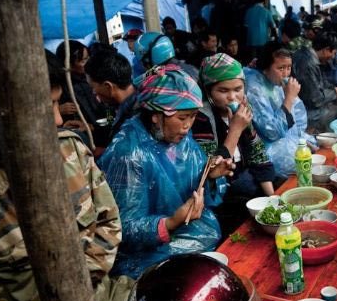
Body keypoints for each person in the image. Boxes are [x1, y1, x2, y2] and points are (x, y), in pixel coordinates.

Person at [0, 56, 127, 301]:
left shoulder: (70, 149)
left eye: (57, 104)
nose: (59, 121)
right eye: (44, 108)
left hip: (101, 294)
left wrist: (79, 300)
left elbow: (109, 224)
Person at [98, 64, 234, 279]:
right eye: (182, 118)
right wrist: (170, 222)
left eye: (192, 117)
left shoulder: (178, 138)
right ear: (155, 116)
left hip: (187, 234)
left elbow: (195, 188)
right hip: (145, 256)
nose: (187, 126)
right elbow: (122, 228)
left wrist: (209, 177)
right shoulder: (129, 154)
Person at [192, 53, 276, 234]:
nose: (232, 97)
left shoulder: (244, 109)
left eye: (238, 89)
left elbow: (256, 151)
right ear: (208, 91)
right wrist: (235, 129)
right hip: (217, 196)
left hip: (243, 180)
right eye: (223, 91)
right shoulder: (200, 117)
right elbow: (210, 169)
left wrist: (273, 199)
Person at [245, 42, 315, 176]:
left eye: (288, 68)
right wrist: (289, 98)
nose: (286, 73)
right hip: (269, 153)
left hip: (285, 142)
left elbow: (298, 121)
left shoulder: (274, 83)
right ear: (266, 67)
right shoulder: (254, 88)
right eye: (281, 68)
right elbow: (272, 132)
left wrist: (301, 140)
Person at [292, 31, 337, 133]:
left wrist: (334, 89)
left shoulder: (308, 56)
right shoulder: (308, 64)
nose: (333, 57)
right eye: (333, 53)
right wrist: (334, 93)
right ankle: (327, 144)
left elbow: (322, 83)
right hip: (302, 111)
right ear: (326, 50)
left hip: (305, 104)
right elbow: (315, 100)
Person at [84, 50, 137, 144]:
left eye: (93, 87)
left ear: (108, 86)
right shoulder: (135, 98)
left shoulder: (133, 119)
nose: (93, 92)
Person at [55, 40, 106, 130]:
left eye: (88, 58)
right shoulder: (59, 86)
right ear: (68, 64)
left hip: (103, 130)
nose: (88, 62)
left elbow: (108, 108)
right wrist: (58, 110)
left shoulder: (94, 77)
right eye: (83, 60)